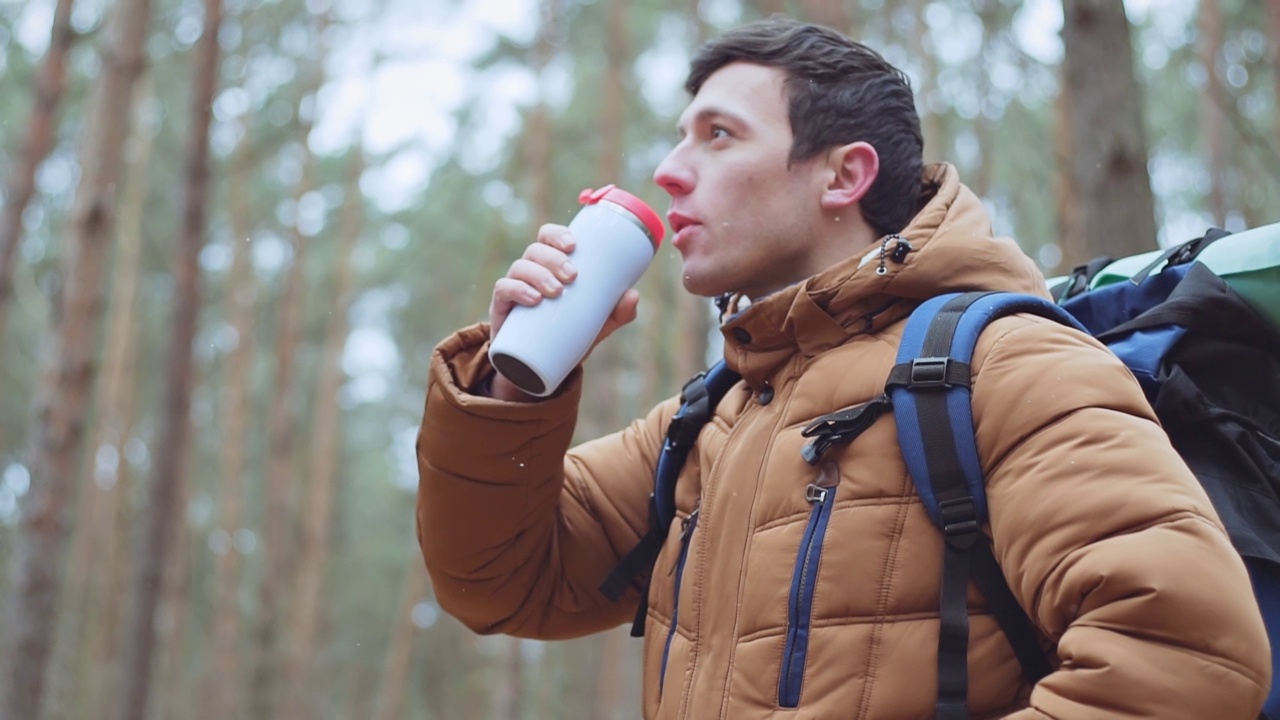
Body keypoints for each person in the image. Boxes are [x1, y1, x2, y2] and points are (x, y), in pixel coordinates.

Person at [415, 16, 1269, 719]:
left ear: (844, 174)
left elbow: (1185, 658)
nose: (671, 172)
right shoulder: (714, 415)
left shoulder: (1011, 363)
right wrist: (510, 385)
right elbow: (502, 583)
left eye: (718, 136)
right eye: (679, 139)